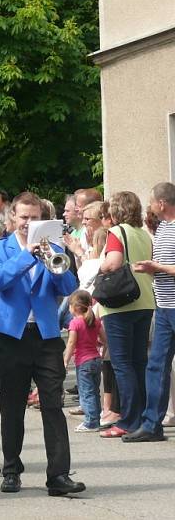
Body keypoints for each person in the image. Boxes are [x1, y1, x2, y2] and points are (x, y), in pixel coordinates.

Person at [0, 191, 84, 496]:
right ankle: (11, 469)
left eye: (35, 218)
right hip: (11, 336)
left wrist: (60, 257)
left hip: (46, 336)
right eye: (24, 217)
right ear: (12, 217)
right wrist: (26, 254)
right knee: (12, 405)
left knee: (53, 405)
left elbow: (69, 287)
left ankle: (58, 475)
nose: (29, 223)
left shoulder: (51, 248)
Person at [97, 192, 155, 439]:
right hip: (144, 300)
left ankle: (128, 420)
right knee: (139, 362)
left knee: (122, 364)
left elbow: (113, 263)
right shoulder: (143, 233)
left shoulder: (117, 232)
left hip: (120, 303)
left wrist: (99, 266)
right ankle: (143, 417)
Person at [123, 182, 175, 442]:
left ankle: (152, 422)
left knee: (157, 364)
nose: (150, 206)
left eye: (153, 201)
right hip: (164, 306)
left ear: (162, 203)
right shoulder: (163, 227)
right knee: (156, 365)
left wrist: (158, 267)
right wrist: (153, 268)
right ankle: (152, 424)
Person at [64, 291, 106, 432]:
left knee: (86, 393)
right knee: (94, 392)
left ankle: (91, 422)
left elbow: (71, 343)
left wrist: (65, 360)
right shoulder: (94, 321)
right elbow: (105, 340)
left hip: (83, 362)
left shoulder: (75, 323)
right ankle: (96, 419)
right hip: (95, 359)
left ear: (75, 307)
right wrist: (103, 351)